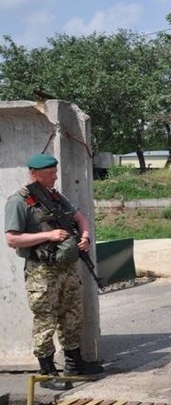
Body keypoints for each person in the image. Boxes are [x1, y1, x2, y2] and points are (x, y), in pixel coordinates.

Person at [4, 154, 104, 390]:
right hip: (42, 272)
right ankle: (47, 372)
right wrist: (48, 235)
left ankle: (74, 363)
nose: (55, 177)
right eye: (50, 174)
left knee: (72, 315)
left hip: (66, 269)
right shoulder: (19, 201)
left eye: (55, 172)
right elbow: (11, 239)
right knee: (45, 321)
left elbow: (79, 217)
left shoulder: (55, 196)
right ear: (34, 173)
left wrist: (86, 236)